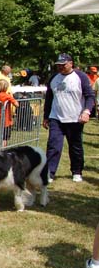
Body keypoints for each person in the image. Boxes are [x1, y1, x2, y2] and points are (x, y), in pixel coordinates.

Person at [43, 53, 94, 183]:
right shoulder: (54, 78)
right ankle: (49, 173)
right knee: (53, 146)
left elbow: (89, 96)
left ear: (70, 63)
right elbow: (49, 98)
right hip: (56, 117)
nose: (60, 67)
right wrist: (46, 116)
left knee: (75, 146)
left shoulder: (80, 77)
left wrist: (86, 111)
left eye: (63, 65)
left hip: (75, 118)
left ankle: (77, 171)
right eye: (58, 65)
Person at [0, 79, 19, 148]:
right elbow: (17, 104)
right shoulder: (7, 96)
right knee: (4, 138)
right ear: (6, 87)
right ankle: (2, 150)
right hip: (6, 121)